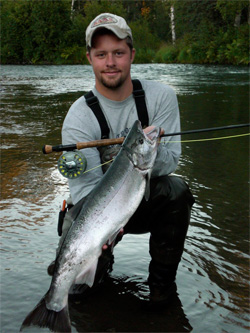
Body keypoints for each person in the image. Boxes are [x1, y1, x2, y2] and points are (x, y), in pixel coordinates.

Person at [49, 13, 195, 307]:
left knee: (177, 191)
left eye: (118, 53)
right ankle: (59, 303)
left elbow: (170, 164)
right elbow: (83, 190)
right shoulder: (79, 116)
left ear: (132, 55)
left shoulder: (162, 97)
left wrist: (148, 149)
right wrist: (104, 235)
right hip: (97, 213)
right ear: (89, 57)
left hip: (144, 200)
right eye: (101, 54)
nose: (110, 62)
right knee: (77, 296)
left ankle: (161, 293)